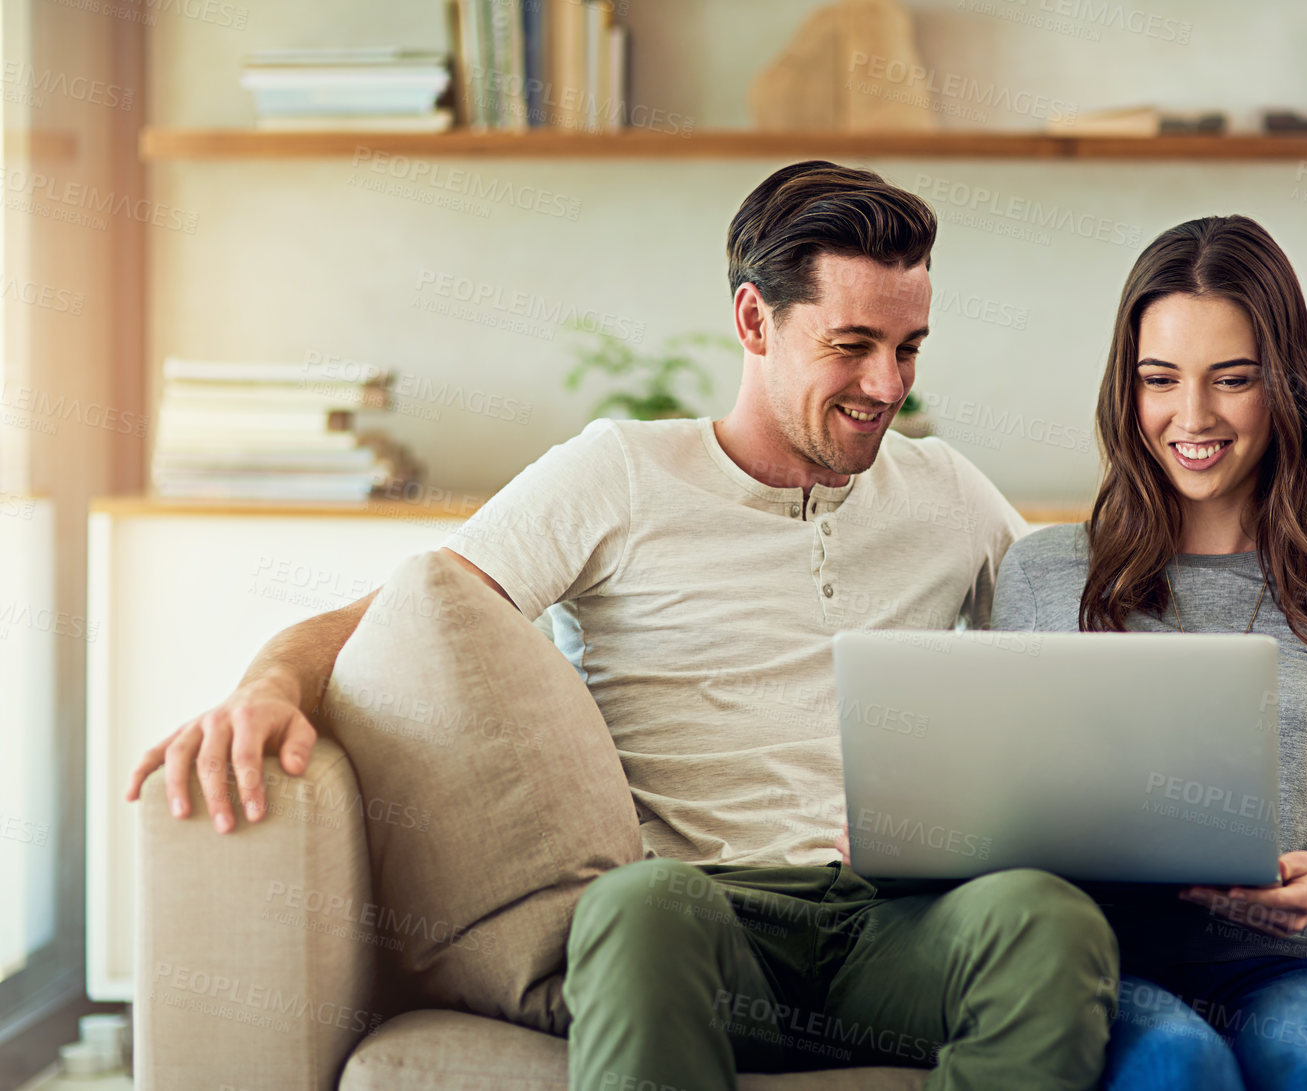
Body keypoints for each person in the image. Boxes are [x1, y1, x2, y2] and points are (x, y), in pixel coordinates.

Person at [126, 160, 1118, 1090]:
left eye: (908, 349)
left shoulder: (944, 490)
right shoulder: (620, 474)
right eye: (851, 346)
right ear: (754, 321)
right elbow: (393, 617)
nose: (887, 387)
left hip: (892, 923)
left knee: (1044, 920)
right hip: (701, 921)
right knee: (642, 908)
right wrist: (262, 687)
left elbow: (1083, 661)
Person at [991, 215, 1307, 1091]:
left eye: (1232, 379)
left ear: (1283, 383)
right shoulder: (1042, 571)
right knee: (1178, 1060)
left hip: (1299, 965)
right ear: (1125, 391)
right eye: (1159, 379)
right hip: (1097, 958)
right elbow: (992, 821)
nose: (1192, 416)